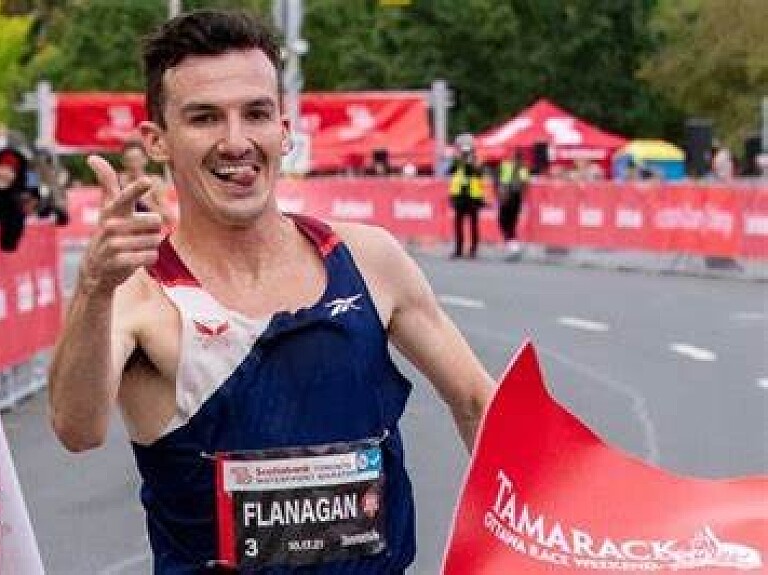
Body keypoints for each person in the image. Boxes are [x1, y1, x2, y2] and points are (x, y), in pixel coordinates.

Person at [48, 10, 494, 574]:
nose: (236, 142)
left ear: (283, 131)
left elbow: (478, 403)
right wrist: (94, 287)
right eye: (205, 118)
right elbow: (77, 429)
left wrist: (528, 548)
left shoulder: (367, 259)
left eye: (255, 114)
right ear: (158, 141)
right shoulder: (137, 294)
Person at [119, 140, 176, 225]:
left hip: (148, 228)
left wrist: (147, 203)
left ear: (145, 160)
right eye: (129, 160)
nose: (133, 164)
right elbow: (105, 212)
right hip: (124, 228)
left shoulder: (155, 182)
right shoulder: (118, 181)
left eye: (137, 159)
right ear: (123, 162)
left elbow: (169, 217)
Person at [447, 140, 486, 259]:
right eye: (463, 153)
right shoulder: (458, 162)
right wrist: (458, 160)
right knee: (458, 225)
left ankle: (473, 250)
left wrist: (470, 162)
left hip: (473, 197)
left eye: (467, 152)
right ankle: (458, 249)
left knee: (473, 225)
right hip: (459, 197)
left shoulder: (476, 161)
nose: (465, 155)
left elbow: (479, 173)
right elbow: (450, 171)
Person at [498, 148, 530, 258]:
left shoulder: (508, 165)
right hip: (515, 196)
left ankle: (512, 246)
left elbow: (503, 181)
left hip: (509, 195)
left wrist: (503, 193)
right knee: (510, 222)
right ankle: (512, 245)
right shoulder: (522, 166)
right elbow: (524, 182)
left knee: (505, 221)